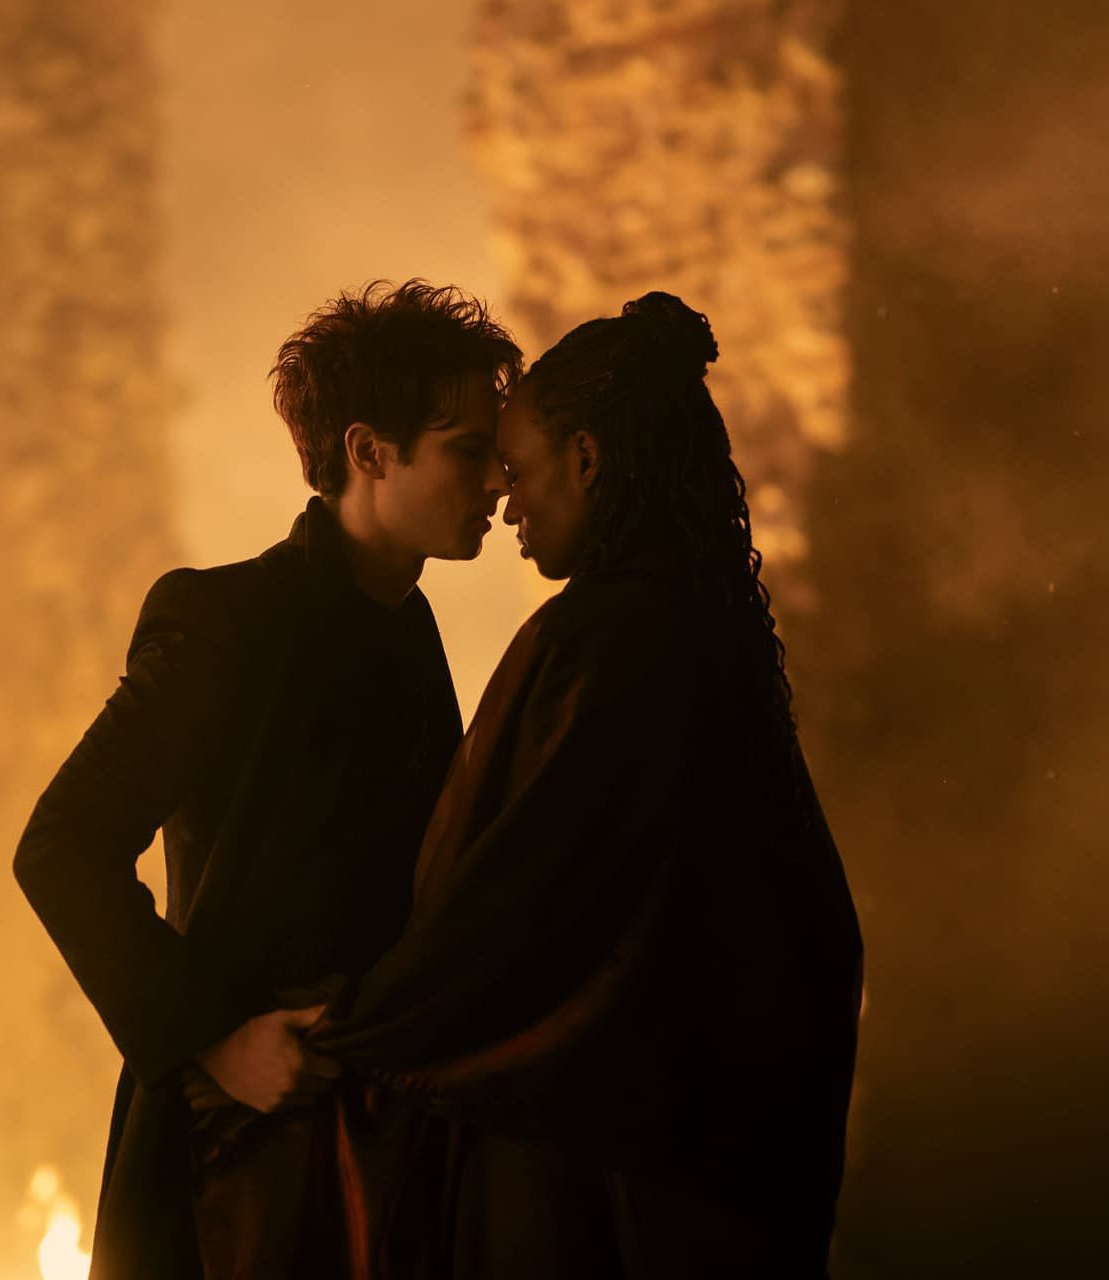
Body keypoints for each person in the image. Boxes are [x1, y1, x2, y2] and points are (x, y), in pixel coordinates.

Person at [310, 293, 864, 1278]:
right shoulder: (711, 636)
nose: (507, 502)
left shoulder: (596, 644)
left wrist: (349, 1029)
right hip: (731, 1160)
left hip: (613, 1175)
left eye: (519, 471)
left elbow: (512, 908)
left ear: (589, 460)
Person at [13, 280, 522, 1278]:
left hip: (363, 1156)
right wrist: (214, 1039)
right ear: (369, 452)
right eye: (468, 448)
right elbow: (61, 845)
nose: (499, 481)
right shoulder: (225, 623)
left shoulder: (405, 623)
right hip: (225, 1161)